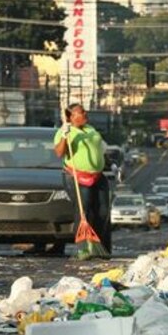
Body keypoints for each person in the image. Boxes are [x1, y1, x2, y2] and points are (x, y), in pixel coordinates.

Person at [54, 103, 111, 260]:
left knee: (103, 211)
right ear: (71, 117)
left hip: (97, 175)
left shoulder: (91, 129)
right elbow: (59, 152)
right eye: (81, 112)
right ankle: (83, 248)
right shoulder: (65, 131)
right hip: (77, 177)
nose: (85, 114)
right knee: (83, 212)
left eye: (84, 111)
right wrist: (65, 137)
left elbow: (99, 149)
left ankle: (97, 245)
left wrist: (108, 161)